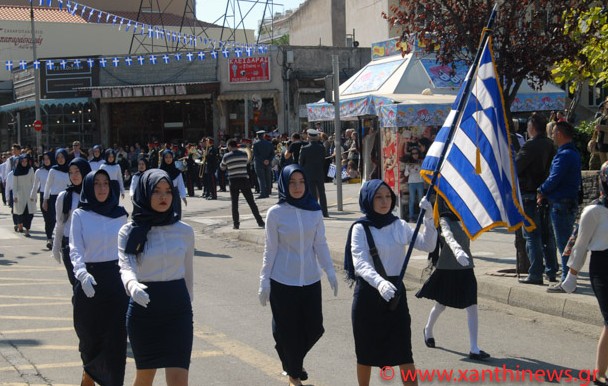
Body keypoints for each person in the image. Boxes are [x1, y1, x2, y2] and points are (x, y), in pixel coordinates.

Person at [344, 179, 436, 386]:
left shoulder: (399, 225)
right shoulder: (360, 228)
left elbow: (428, 245)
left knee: (404, 351)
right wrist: (380, 283)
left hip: (395, 294)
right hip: (368, 294)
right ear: (368, 199)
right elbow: (360, 263)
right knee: (365, 352)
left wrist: (429, 219)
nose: (384, 201)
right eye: (378, 196)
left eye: (388, 196)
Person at [258, 164, 338, 386]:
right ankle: (294, 375)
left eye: (301, 182)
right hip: (282, 280)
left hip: (310, 280)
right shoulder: (276, 213)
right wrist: (264, 280)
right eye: (292, 182)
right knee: (288, 330)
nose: (297, 187)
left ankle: (291, 359)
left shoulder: (314, 210)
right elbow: (270, 249)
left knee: (314, 328)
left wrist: (329, 270)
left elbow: (320, 244)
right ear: (284, 184)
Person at [119, 169, 194, 386]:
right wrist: (132, 285)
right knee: (145, 376)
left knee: (179, 378)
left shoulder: (184, 231)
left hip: (177, 311)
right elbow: (125, 265)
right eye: (156, 191)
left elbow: (188, 273)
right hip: (144, 310)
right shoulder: (129, 231)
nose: (163, 197)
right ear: (144, 193)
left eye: (168, 191)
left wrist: (187, 305)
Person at [70, 169, 129, 386]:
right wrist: (82, 273)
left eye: (106, 183)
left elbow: (126, 251)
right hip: (89, 282)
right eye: (97, 184)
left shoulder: (120, 214)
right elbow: (75, 248)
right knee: (90, 340)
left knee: (115, 342)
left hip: (116, 282)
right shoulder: (80, 214)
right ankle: (89, 376)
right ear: (89, 187)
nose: (102, 188)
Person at [416, 196, 490, 360]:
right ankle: (428, 329)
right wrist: (457, 251)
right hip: (448, 267)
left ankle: (474, 348)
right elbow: (448, 238)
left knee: (472, 306)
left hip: (466, 267)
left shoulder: (464, 219)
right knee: (441, 305)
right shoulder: (443, 220)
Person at [559, 161, 608, 385]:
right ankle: (599, 374)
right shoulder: (594, 210)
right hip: (602, 267)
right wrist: (573, 274)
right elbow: (580, 246)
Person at [537, 121, 582, 289]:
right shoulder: (573, 152)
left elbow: (554, 178)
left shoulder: (564, 155)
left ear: (560, 134)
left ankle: (566, 280)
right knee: (566, 243)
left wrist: (540, 190)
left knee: (564, 244)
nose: (552, 135)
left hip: (561, 203)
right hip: (567, 202)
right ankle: (568, 277)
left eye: (554, 132)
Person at [516, 113, 558, 285]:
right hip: (545, 193)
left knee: (532, 234)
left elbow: (516, 167)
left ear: (532, 127)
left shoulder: (530, 145)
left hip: (529, 193)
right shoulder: (550, 143)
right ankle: (552, 270)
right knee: (547, 234)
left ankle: (535, 273)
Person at [52, 158, 91, 285]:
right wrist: (56, 246)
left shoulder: (95, 194)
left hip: (91, 246)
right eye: (70, 172)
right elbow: (60, 223)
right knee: (76, 284)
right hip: (70, 245)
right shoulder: (64, 196)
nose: (73, 175)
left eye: (77, 171)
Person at [220, 139, 265, 230]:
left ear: (229, 146)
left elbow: (222, 168)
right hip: (244, 179)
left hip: (233, 180)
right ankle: (260, 221)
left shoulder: (226, 156)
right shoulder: (244, 154)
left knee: (235, 203)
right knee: (251, 202)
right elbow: (247, 162)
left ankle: (236, 224)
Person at [299, 129, 329, 217]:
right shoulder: (321, 147)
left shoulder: (304, 148)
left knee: (312, 193)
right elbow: (323, 160)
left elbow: (301, 162)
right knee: (322, 193)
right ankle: (325, 212)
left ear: (308, 137)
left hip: (309, 173)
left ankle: (315, 211)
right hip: (319, 172)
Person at [43, 148, 71, 242]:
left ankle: (65, 239)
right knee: (56, 220)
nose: (60, 159)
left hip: (67, 197)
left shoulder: (70, 169)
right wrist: (45, 200)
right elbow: (48, 185)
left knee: (67, 220)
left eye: (62, 157)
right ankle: (53, 239)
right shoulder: (53, 170)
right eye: (58, 157)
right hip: (55, 198)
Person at [31, 151, 55, 249]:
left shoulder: (55, 170)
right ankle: (49, 238)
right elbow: (35, 185)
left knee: (55, 219)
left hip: (54, 196)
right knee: (47, 219)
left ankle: (55, 238)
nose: (46, 161)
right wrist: (32, 196)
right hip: (43, 197)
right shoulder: (39, 171)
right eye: (44, 159)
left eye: (48, 158)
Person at [12, 154, 36, 237]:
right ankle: (20, 225)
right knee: (20, 213)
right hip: (20, 195)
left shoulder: (31, 170)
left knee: (29, 214)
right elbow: (14, 185)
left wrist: (34, 195)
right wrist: (14, 195)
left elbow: (34, 183)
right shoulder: (16, 171)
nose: (24, 163)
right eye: (23, 161)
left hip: (29, 194)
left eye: (26, 161)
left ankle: (27, 230)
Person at [403, 148, 424, 223]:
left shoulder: (421, 162)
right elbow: (405, 174)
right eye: (413, 154)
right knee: (411, 200)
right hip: (411, 183)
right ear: (411, 155)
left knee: (421, 200)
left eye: (416, 153)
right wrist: (409, 169)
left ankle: (421, 217)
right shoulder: (408, 164)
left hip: (420, 182)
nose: (415, 155)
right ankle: (411, 217)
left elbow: (424, 171)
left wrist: (421, 166)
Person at [252, 130, 274, 199]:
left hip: (259, 163)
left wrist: (263, 160)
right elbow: (272, 154)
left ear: (257, 136)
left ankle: (263, 193)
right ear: (263, 135)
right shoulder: (269, 143)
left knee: (261, 178)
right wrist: (268, 160)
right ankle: (268, 191)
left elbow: (256, 155)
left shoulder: (255, 144)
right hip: (268, 163)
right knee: (268, 177)